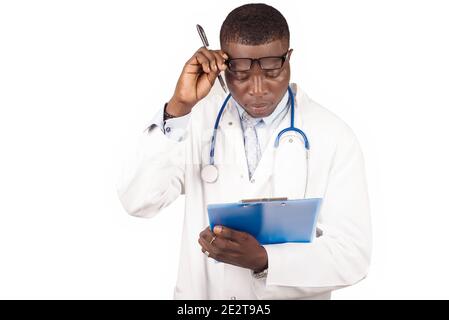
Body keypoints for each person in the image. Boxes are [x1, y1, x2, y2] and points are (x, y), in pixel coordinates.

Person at [117, 3, 371, 300]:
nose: (258, 88)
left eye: (272, 70)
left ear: (289, 59)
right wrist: (179, 108)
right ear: (223, 65)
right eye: (241, 73)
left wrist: (265, 260)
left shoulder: (334, 136)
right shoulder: (195, 121)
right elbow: (138, 201)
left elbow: (353, 255)